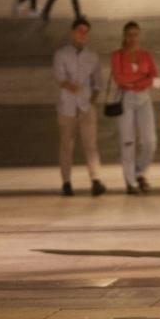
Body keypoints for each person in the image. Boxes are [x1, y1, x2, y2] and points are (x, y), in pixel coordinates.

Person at [52, 17, 107, 196]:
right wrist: (73, 87)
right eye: (79, 31)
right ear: (72, 32)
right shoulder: (62, 54)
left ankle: (95, 179)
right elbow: (60, 79)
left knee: (90, 145)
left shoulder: (92, 56)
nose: (82, 35)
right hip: (67, 107)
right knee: (66, 145)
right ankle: (66, 181)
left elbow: (98, 81)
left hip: (85, 106)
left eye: (85, 32)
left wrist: (92, 99)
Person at [110, 21, 159, 194]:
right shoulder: (117, 55)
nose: (132, 38)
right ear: (124, 36)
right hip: (126, 99)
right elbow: (119, 78)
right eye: (129, 35)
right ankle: (130, 181)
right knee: (128, 141)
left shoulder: (146, 55)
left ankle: (139, 172)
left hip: (144, 97)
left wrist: (135, 81)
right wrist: (139, 79)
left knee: (149, 141)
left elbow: (153, 76)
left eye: (135, 35)